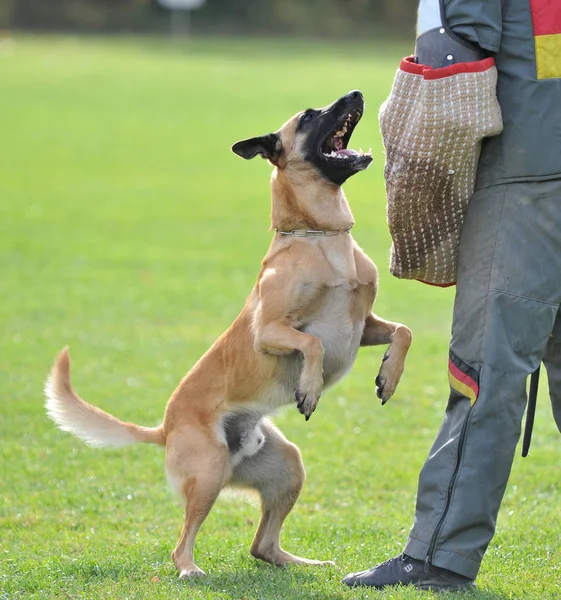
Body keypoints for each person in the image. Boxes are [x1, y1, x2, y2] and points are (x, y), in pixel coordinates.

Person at [343, 0, 561, 591]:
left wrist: (420, 173)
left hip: (524, 176)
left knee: (484, 373)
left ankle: (439, 555)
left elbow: (453, 54)